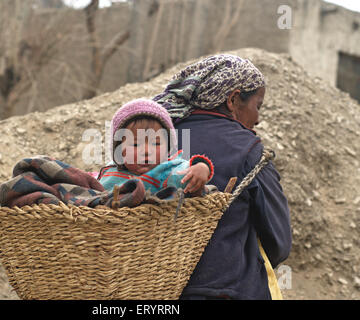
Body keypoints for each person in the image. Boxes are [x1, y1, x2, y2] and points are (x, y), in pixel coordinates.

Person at [153, 54, 292, 300]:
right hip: (227, 291)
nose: (258, 118)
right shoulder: (250, 151)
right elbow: (278, 240)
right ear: (233, 99)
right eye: (257, 106)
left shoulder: (154, 141)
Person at [97, 98, 215, 197]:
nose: (147, 151)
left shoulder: (166, 172)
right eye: (135, 144)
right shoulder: (111, 172)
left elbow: (185, 172)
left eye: (156, 144)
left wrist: (200, 167)